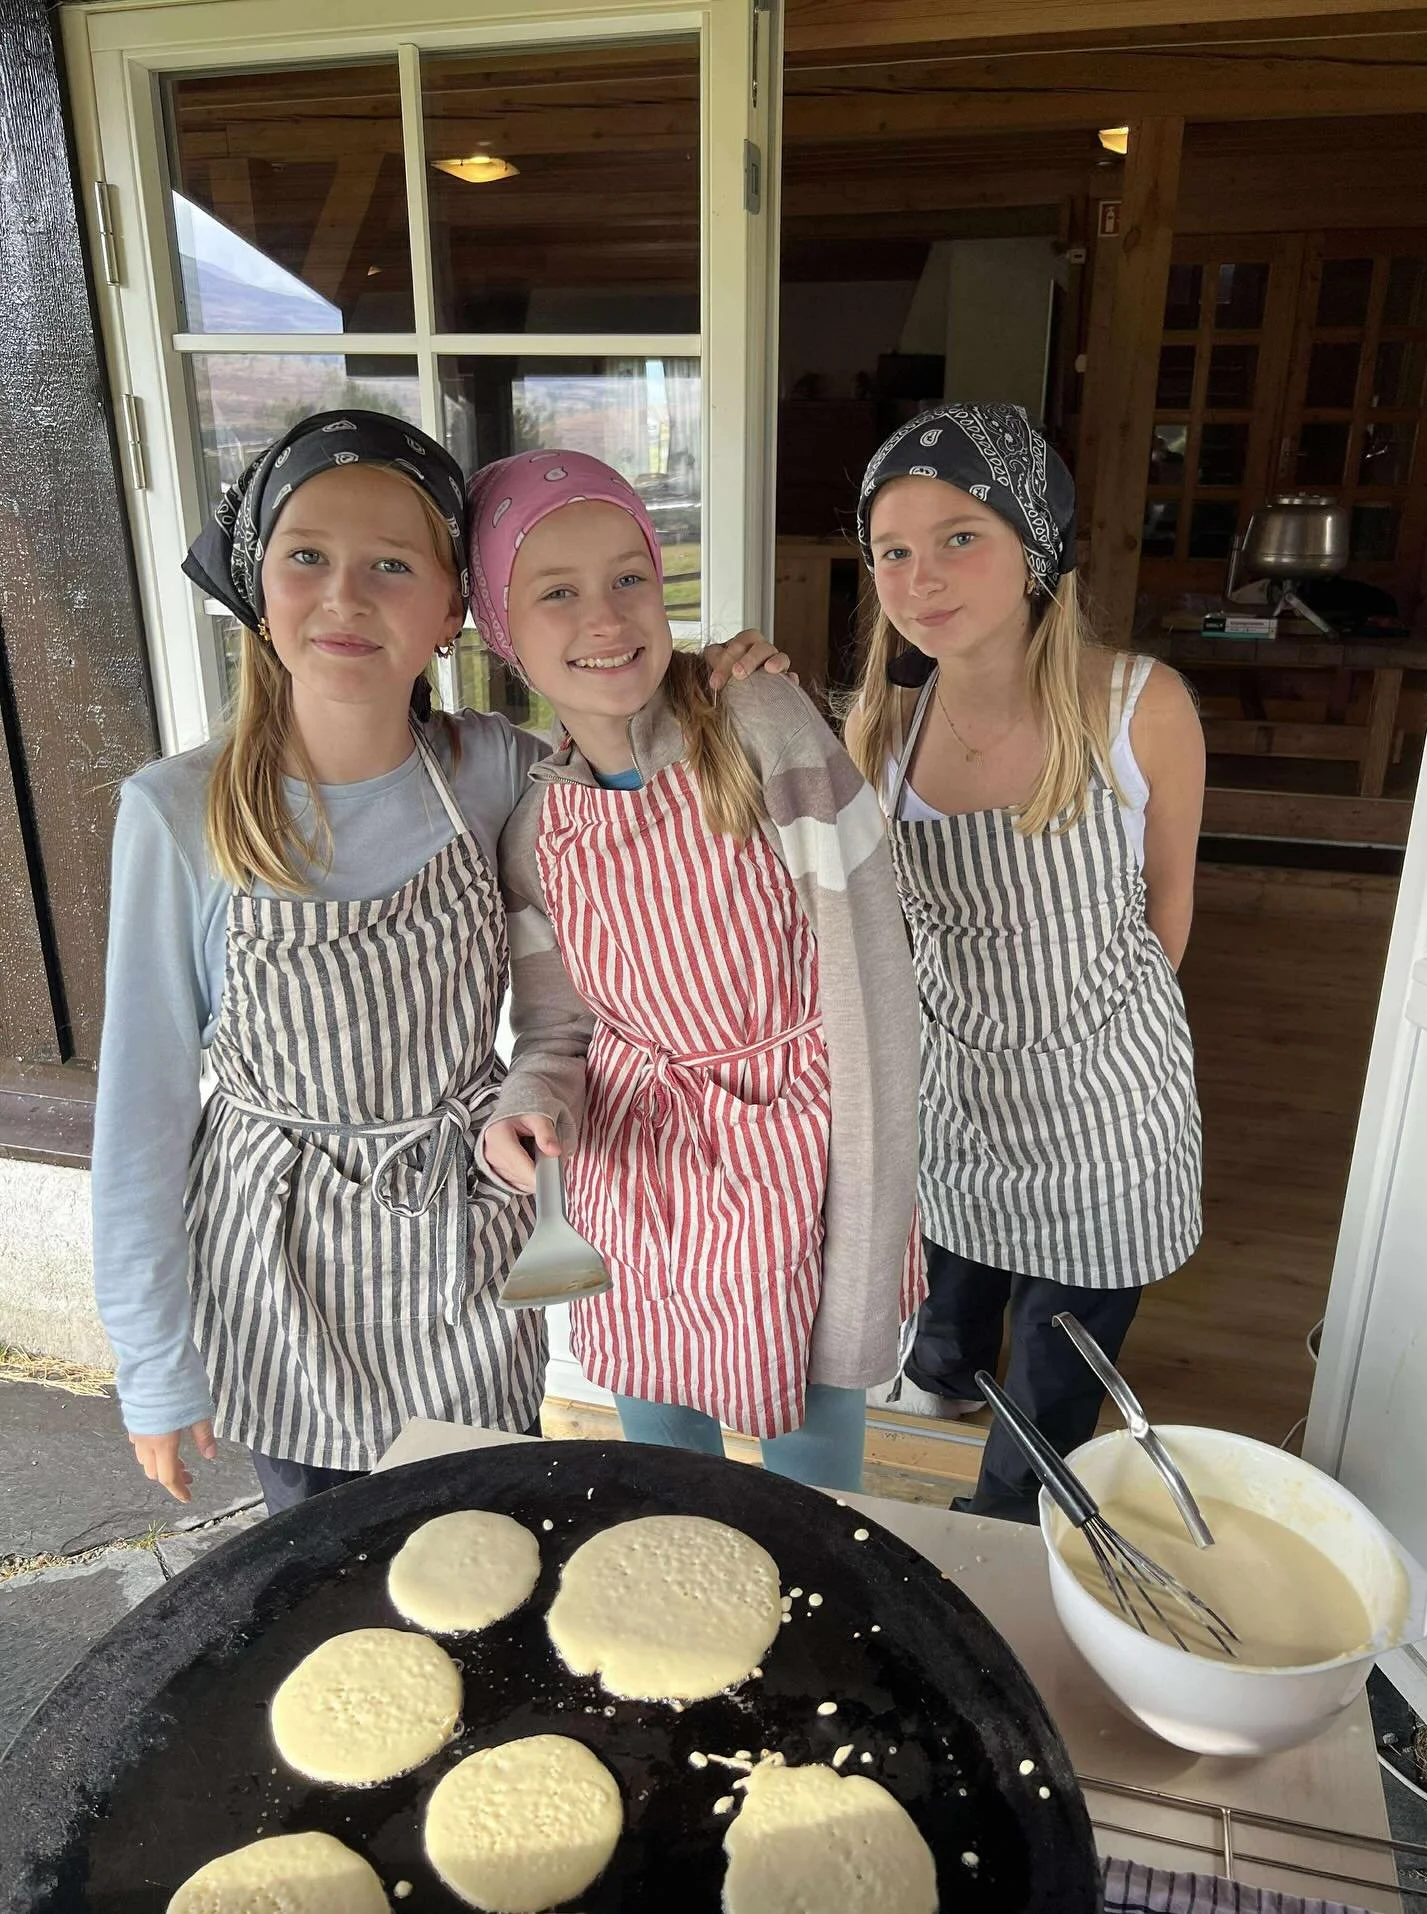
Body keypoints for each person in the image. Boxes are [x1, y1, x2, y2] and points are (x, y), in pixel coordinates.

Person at [92, 412, 783, 1514]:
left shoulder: (494, 770)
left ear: (456, 612)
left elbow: (624, 718)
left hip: (460, 1252)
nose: (345, 595)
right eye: (306, 556)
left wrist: (717, 682)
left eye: (392, 566)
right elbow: (141, 1110)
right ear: (256, 588)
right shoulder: (178, 812)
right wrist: (153, 1360)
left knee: (484, 1538)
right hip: (279, 1271)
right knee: (320, 1569)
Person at [475, 450, 922, 1493]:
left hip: (799, 1178)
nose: (607, 617)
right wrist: (529, 1102)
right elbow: (559, 1033)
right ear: (502, 634)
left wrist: (860, 1270)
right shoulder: (538, 825)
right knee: (655, 1478)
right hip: (633, 1181)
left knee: (809, 1500)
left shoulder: (763, 728)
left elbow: (877, 1001)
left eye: (631, 577)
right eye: (557, 593)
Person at [844, 403, 1204, 1523]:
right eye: (893, 552)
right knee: (954, 1269)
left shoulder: (1138, 705)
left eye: (961, 537)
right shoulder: (881, 732)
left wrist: (1094, 1036)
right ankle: (942, 1376)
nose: (921, 576)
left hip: (1106, 1103)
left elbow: (1168, 900)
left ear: (1034, 547)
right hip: (961, 1086)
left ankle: (1006, 1527)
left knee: (1058, 1357)